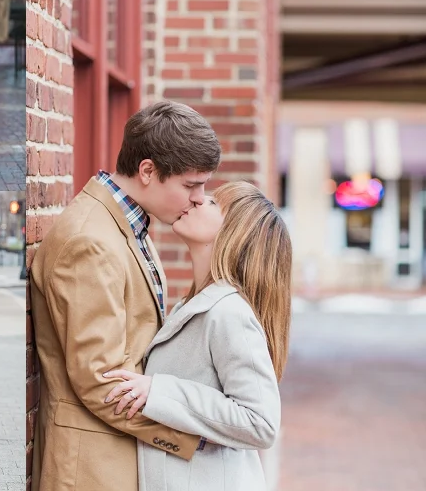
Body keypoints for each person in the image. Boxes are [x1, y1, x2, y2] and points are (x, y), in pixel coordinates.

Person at [28, 100, 222, 491]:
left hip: (120, 454)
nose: (200, 198)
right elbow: (102, 381)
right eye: (191, 185)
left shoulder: (128, 225)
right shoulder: (91, 241)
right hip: (92, 468)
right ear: (148, 170)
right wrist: (196, 436)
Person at [103, 182, 291, 491]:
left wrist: (159, 392)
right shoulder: (194, 305)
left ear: (234, 234)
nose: (199, 200)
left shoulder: (229, 313)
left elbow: (262, 422)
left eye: (214, 203)